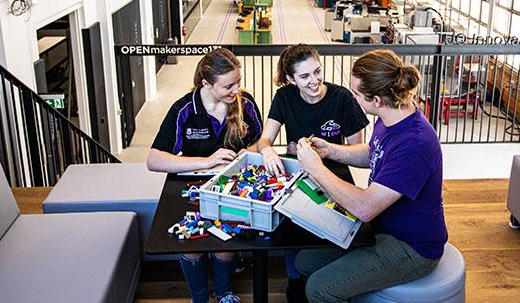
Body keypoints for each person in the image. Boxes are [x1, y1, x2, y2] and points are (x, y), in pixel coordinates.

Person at [293, 49, 447, 303]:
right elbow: (375, 152)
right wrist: (331, 151)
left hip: (412, 247)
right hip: (381, 227)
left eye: (355, 93)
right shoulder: (390, 116)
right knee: (305, 262)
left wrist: (316, 169)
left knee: (319, 289)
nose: (351, 97)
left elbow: (365, 208)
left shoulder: (415, 143)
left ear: (376, 99)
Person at [255, 43, 369, 302]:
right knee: (291, 223)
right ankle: (294, 279)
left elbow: (358, 150)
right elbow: (265, 140)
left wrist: (326, 151)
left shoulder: (342, 98)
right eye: (305, 76)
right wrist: (269, 151)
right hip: (299, 176)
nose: (314, 81)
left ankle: (325, 276)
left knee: (330, 229)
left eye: (317, 72)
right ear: (290, 79)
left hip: (335, 176)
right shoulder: (284, 98)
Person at [148, 48, 263, 303]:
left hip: (231, 188)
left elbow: (261, 142)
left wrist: (249, 151)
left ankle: (224, 293)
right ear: (207, 84)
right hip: (190, 187)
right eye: (228, 85)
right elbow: (154, 159)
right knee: (193, 249)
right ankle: (199, 298)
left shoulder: (245, 103)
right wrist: (208, 161)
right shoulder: (184, 109)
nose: (236, 90)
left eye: (238, 82)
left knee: (224, 247)